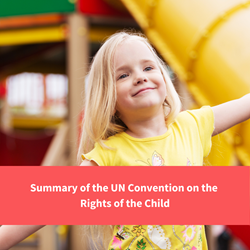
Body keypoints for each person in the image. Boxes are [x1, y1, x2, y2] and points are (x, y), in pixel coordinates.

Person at [0, 32, 250, 250]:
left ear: (164, 78)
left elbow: (244, 104)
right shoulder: (109, 154)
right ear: (109, 100)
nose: (140, 77)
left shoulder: (191, 126)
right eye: (123, 75)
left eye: (148, 68)